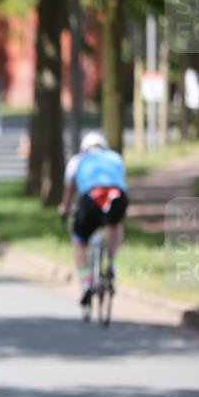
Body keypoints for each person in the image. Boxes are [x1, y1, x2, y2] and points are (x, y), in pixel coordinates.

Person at [58, 131, 129, 305]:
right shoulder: (115, 157)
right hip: (117, 196)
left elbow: (69, 190)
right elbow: (121, 180)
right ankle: (112, 260)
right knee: (116, 224)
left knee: (79, 241)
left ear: (84, 148)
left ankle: (86, 280)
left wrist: (64, 208)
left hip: (91, 198)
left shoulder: (77, 160)